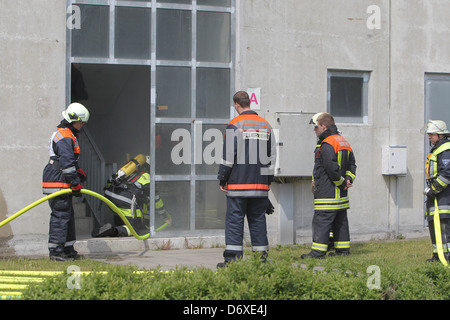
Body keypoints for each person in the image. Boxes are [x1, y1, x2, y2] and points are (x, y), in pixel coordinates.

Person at [216, 91, 276, 267]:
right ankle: (261, 261)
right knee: (258, 222)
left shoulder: (235, 124)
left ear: (236, 104)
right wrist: (268, 181)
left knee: (235, 222)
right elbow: (272, 157)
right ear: (249, 103)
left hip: (238, 185)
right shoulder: (266, 125)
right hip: (260, 186)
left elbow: (228, 156)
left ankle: (233, 262)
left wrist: (222, 179)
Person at [301, 112, 356, 259]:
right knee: (340, 223)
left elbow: (331, 169)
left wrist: (341, 183)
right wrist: (348, 180)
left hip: (327, 194)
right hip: (341, 197)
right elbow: (352, 164)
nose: (315, 130)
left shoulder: (327, 144)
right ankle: (343, 252)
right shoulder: (343, 141)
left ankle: (317, 253)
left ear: (323, 126)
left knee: (321, 222)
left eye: (316, 127)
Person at [42, 102, 90, 261]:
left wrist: (78, 171)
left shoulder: (66, 134)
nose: (82, 125)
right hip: (57, 179)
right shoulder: (65, 136)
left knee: (67, 215)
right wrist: (75, 182)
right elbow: (66, 163)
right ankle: (56, 252)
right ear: (73, 119)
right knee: (61, 215)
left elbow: (69, 162)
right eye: (81, 122)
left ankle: (68, 250)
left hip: (59, 176)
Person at [93, 154, 171, 237]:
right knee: (134, 230)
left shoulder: (127, 173)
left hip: (109, 197)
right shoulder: (147, 177)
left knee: (124, 215)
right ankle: (113, 231)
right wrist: (165, 216)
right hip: (124, 201)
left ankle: (117, 226)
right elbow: (156, 200)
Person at [422, 120, 450, 262]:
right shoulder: (438, 148)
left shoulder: (445, 149)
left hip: (444, 196)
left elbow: (446, 174)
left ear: (440, 135)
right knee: (434, 225)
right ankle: (437, 255)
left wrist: (433, 190)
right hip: (436, 196)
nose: (429, 137)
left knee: (444, 227)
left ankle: (446, 256)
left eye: (431, 134)